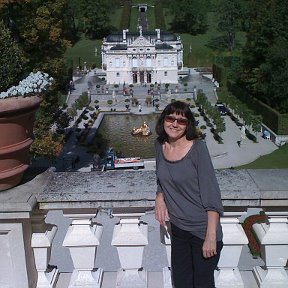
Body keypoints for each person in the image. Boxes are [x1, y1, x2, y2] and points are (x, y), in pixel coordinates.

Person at [154, 101, 223, 288]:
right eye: (171, 118)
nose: (175, 124)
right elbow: (161, 177)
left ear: (188, 125)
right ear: (164, 120)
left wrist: (211, 236)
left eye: (181, 121)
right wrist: (160, 197)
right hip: (178, 229)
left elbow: (212, 196)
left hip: (202, 231)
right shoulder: (160, 145)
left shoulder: (198, 149)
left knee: (202, 285)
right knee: (182, 283)